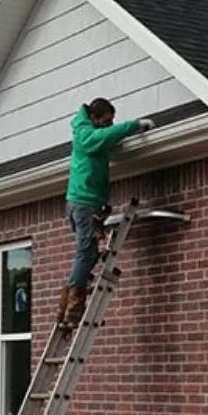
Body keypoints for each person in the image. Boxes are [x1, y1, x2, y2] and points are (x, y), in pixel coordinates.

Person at [58, 97, 155, 328]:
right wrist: (135, 125)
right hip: (84, 203)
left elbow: (107, 137)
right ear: (94, 117)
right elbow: (101, 137)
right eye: (107, 121)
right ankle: (73, 307)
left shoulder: (92, 134)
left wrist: (123, 134)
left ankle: (67, 305)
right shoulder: (85, 134)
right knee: (86, 253)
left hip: (85, 203)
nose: (110, 126)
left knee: (89, 253)